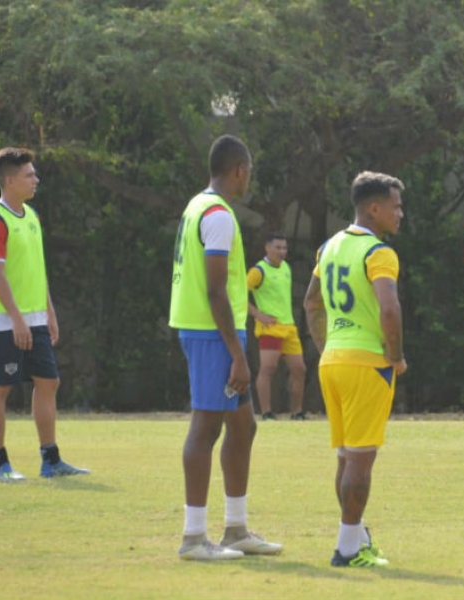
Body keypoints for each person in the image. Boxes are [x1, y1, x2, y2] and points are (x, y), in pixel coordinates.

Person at [169, 134, 282, 560]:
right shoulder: (217, 214)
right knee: (206, 428)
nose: (248, 178)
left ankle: (236, 529)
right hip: (211, 335)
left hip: (216, 333)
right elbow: (216, 291)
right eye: (248, 171)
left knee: (243, 425)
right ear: (238, 170)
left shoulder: (198, 205)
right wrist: (237, 354)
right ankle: (194, 537)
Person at [304, 171, 406, 568]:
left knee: (347, 459)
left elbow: (311, 302)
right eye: (395, 207)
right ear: (374, 208)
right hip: (367, 364)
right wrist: (395, 355)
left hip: (333, 362)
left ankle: (356, 536)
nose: (400, 214)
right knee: (361, 460)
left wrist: (327, 346)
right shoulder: (378, 252)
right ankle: (346, 549)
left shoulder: (328, 247)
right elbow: (389, 308)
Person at [0, 147, 90, 483]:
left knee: (49, 381)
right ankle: (0, 464)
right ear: (10, 180)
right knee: (0, 387)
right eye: (29, 175)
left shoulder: (33, 216)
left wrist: (49, 312)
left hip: (36, 317)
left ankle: (51, 461)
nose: (35, 179)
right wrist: (16, 318)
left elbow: (36, 271)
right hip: (3, 320)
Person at [247, 233, 307, 421]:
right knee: (268, 368)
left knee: (299, 369)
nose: (282, 252)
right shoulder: (259, 271)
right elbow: (238, 295)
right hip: (270, 327)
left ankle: (297, 412)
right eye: (278, 248)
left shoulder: (286, 268)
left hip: (289, 326)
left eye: (284, 248)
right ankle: (266, 413)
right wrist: (259, 315)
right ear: (267, 248)